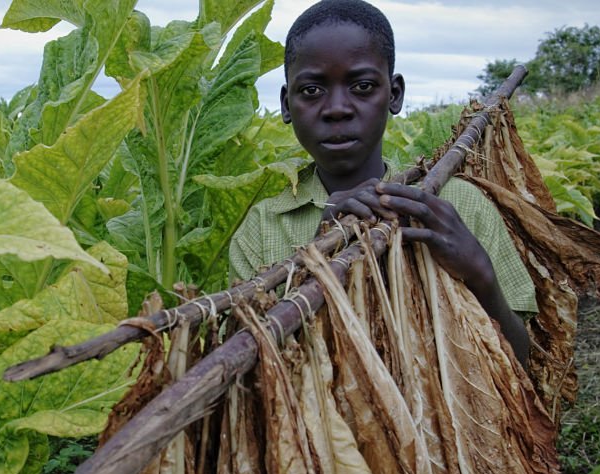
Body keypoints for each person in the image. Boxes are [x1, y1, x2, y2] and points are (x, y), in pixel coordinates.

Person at [228, 0, 537, 367]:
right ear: (285, 104)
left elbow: (524, 359)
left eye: (362, 86)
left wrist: (480, 274)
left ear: (394, 95)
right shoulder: (262, 228)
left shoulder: (457, 206)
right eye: (312, 90)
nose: (337, 108)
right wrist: (320, 254)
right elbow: (243, 371)